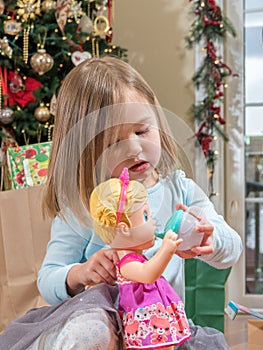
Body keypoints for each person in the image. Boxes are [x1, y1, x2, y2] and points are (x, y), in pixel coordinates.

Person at [0, 56, 242, 350]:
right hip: (103, 326)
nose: (135, 148)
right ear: (86, 149)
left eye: (142, 131)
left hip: (159, 327)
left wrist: (211, 238)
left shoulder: (181, 190)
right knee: (91, 333)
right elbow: (48, 279)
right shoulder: (83, 205)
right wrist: (80, 273)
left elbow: (232, 248)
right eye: (114, 142)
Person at [89, 167, 191, 349]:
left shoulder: (137, 257)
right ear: (124, 229)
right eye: (145, 216)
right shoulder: (127, 264)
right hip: (146, 326)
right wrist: (166, 250)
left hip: (156, 323)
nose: (152, 222)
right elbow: (148, 274)